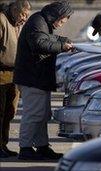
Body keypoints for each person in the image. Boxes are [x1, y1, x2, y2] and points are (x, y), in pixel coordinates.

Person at [13, 0, 73, 160]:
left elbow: (47, 39)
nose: (61, 24)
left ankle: (42, 146)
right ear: (56, 15)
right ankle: (25, 148)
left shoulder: (42, 21)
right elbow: (39, 43)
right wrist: (62, 46)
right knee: (33, 114)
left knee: (42, 114)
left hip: (37, 77)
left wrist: (63, 41)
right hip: (32, 77)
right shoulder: (38, 22)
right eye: (61, 20)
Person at [0, 0, 31, 158]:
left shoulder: (17, 24)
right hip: (1, 75)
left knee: (9, 112)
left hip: (13, 76)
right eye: (23, 15)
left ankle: (3, 145)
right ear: (14, 10)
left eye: (27, 16)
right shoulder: (2, 20)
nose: (25, 18)